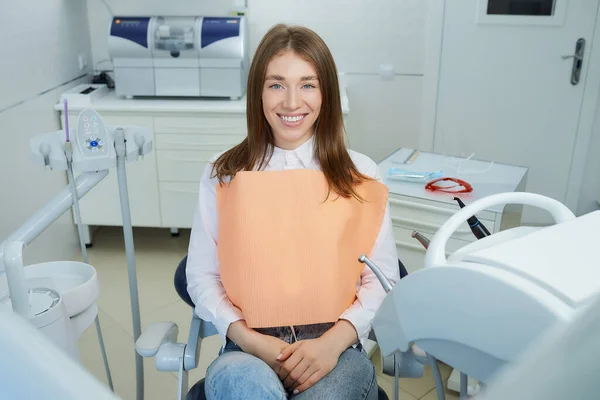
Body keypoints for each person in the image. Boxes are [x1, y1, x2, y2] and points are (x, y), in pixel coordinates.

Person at [186, 23, 400, 400]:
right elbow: (202, 275)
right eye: (276, 84)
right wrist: (252, 342)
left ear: (326, 93)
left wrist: (331, 344)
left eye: (307, 84)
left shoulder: (361, 174)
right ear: (258, 92)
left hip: (335, 348)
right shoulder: (224, 174)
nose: (290, 102)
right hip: (247, 350)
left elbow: (382, 281)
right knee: (247, 389)